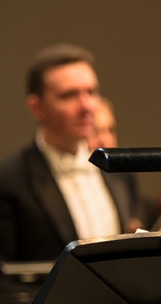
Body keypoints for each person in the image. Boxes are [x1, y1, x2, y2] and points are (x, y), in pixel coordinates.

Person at [0, 45, 141, 265]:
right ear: (37, 108)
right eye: (69, 95)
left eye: (91, 92)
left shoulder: (119, 170)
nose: (87, 106)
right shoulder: (9, 181)